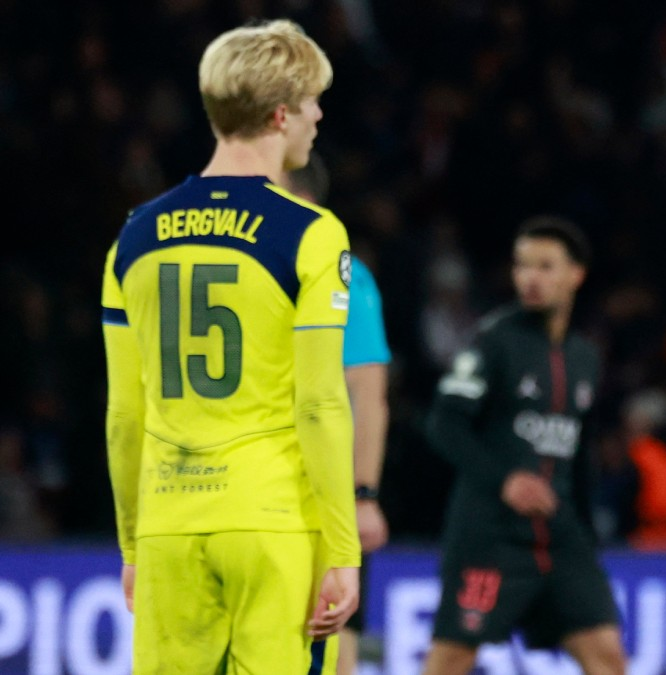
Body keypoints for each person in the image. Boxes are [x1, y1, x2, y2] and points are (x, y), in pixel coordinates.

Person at [101, 20, 359, 673]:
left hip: (168, 524)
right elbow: (320, 404)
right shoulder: (311, 232)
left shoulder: (134, 236)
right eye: (311, 102)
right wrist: (343, 550)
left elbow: (124, 414)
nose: (319, 116)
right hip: (272, 526)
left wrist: (133, 544)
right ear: (280, 115)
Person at [422, 217, 626, 675]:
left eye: (545, 266)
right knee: (451, 659)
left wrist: (588, 531)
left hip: (561, 539)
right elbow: (444, 423)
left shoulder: (585, 357)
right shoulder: (493, 341)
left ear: (576, 274)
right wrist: (505, 479)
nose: (530, 278)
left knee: (607, 656)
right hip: (491, 538)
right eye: (522, 265)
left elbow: (581, 453)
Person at [285, 155, 393, 675]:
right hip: (258, 492)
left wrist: (363, 495)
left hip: (318, 498)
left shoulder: (344, 273)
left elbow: (367, 391)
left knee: (334, 646)